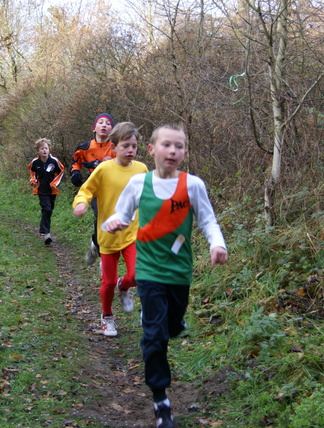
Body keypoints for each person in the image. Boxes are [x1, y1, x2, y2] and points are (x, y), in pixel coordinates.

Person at [103, 124, 228, 428]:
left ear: (184, 152)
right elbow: (121, 213)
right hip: (148, 270)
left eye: (179, 146)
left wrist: (217, 243)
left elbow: (208, 220)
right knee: (154, 336)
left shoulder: (193, 185)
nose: (173, 151)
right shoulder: (138, 184)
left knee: (172, 326)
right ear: (152, 149)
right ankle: (161, 398)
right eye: (167, 145)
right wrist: (115, 222)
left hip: (179, 271)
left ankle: (174, 321)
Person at [72, 122, 148, 337]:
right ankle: (107, 316)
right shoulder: (104, 169)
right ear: (113, 147)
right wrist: (81, 204)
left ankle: (123, 286)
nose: (131, 150)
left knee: (138, 274)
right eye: (125, 146)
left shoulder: (141, 169)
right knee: (107, 282)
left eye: (134, 146)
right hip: (108, 235)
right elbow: (86, 190)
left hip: (133, 232)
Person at [69, 113, 116, 265]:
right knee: (101, 217)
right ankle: (103, 256)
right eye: (100, 122)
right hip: (95, 188)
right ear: (94, 128)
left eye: (108, 123)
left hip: (113, 188)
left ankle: (95, 244)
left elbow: (127, 163)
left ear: (112, 129)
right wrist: (75, 173)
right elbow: (76, 162)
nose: (104, 125)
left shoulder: (116, 147)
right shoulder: (85, 147)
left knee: (111, 221)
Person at [28, 138, 65, 245]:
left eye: (46, 148)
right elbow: (31, 172)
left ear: (49, 150)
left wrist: (54, 183)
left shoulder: (54, 161)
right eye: (42, 149)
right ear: (37, 151)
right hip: (41, 190)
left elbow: (61, 171)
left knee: (49, 210)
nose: (44, 150)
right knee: (46, 208)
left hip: (52, 191)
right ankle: (46, 233)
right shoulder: (35, 162)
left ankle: (46, 232)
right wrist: (33, 181)